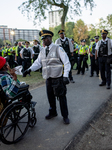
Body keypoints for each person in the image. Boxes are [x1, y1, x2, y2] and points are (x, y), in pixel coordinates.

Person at [23, 30, 71, 124]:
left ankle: (65, 116)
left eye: (45, 38)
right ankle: (53, 112)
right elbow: (38, 63)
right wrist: (29, 69)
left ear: (50, 38)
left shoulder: (58, 48)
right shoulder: (42, 51)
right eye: (43, 39)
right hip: (48, 78)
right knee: (50, 97)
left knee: (61, 97)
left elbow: (66, 61)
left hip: (58, 77)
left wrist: (65, 75)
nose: (44, 40)